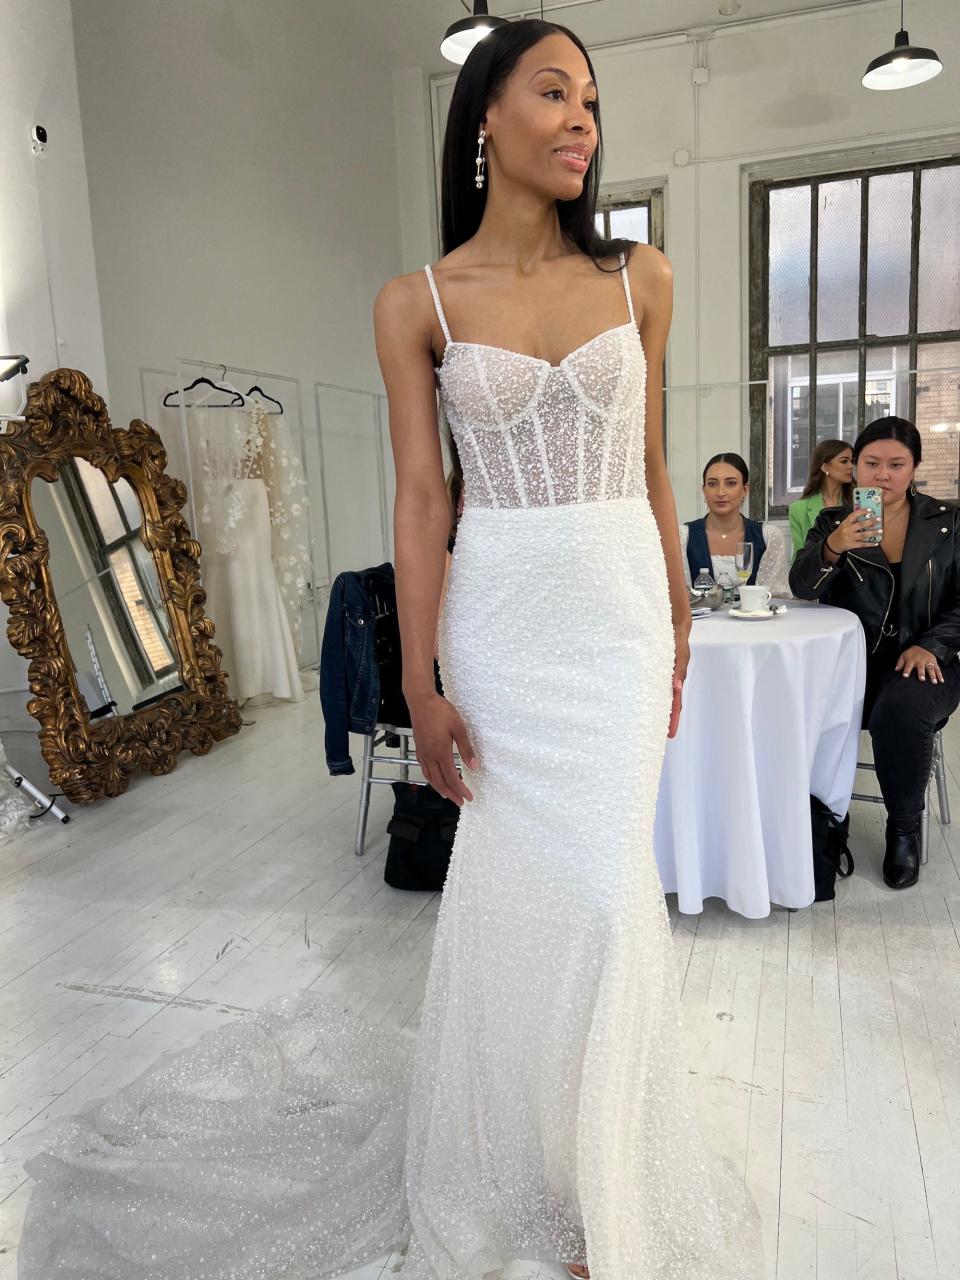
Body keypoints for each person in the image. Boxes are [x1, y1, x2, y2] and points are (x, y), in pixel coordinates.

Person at [14, 20, 764, 1280]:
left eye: (593, 100)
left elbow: (645, 465)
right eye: (553, 92)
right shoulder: (414, 300)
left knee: (606, 896)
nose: (583, 119)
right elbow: (424, 501)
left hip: (623, 619)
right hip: (504, 615)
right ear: (484, 118)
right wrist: (418, 679)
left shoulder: (645, 278)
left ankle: (601, 1181)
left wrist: (681, 615)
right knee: (527, 895)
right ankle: (517, 1161)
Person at [790, 416, 960, 890]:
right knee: (791, 697)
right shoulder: (832, 521)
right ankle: (821, 814)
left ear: (914, 469)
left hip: (924, 665)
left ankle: (903, 827)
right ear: (855, 467)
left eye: (895, 464)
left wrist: (933, 644)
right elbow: (802, 586)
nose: (881, 475)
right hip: (850, 664)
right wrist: (833, 547)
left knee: (901, 707)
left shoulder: (948, 523)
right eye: (871, 463)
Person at [681, 452, 791, 598]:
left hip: (755, 620)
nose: (720, 492)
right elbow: (680, 599)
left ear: (745, 490)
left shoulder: (767, 537)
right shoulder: (683, 536)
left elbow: (773, 598)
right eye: (712, 484)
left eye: (730, 483)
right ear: (704, 490)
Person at [788, 438, 853, 557]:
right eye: (844, 461)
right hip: (817, 572)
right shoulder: (798, 509)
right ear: (825, 467)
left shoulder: (857, 504)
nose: (851, 466)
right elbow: (800, 558)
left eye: (852, 461)